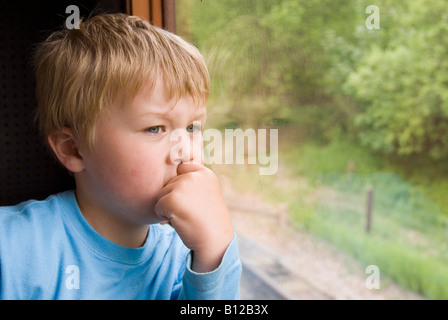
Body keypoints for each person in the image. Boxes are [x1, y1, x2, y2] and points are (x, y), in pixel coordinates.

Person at [0, 13, 241, 300]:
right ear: (73, 148)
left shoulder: (191, 261)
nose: (186, 151)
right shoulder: (11, 248)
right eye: (155, 128)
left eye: (192, 127)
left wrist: (215, 253)